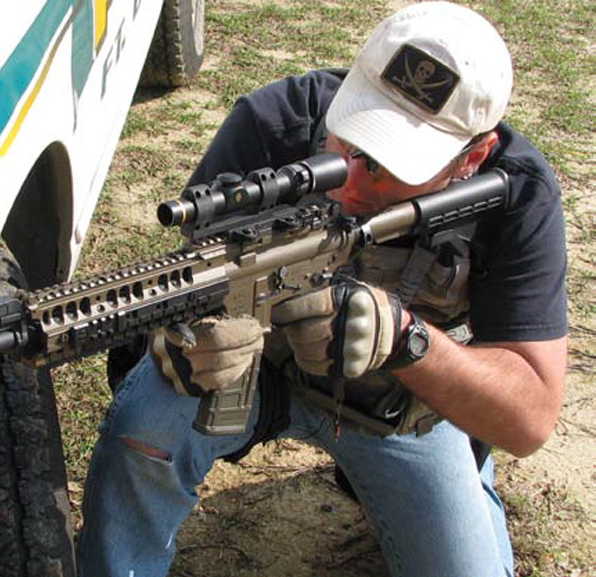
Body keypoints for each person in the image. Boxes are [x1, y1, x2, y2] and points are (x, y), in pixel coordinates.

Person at [77, 3, 568, 576]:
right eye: (348, 142)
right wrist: (176, 338)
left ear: (472, 158)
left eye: (387, 165)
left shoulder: (515, 190)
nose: (351, 183)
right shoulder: (270, 122)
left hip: (396, 410)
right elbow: (186, 283)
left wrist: (408, 342)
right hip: (245, 381)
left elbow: (530, 418)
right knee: (146, 418)